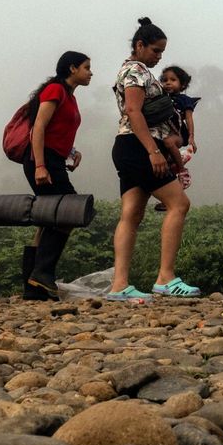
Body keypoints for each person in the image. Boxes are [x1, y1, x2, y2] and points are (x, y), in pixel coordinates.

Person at [107, 18, 201, 302]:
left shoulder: (136, 71)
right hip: (139, 146)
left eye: (161, 52)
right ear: (140, 45)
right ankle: (166, 277)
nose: (159, 57)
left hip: (127, 146)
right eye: (155, 51)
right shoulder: (135, 72)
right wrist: (153, 150)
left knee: (132, 213)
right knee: (179, 203)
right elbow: (134, 111)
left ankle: (120, 285)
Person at [22, 51, 92, 300]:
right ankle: (41, 273)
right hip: (44, 161)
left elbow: (56, 130)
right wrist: (41, 166)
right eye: (86, 67)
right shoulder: (55, 90)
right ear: (72, 68)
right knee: (68, 212)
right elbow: (38, 128)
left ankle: (33, 287)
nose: (90, 73)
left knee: (48, 219)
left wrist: (72, 151)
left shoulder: (69, 96)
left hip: (54, 160)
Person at [154, 65, 199, 211]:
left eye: (173, 80)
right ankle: (167, 198)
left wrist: (191, 137)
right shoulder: (161, 98)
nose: (168, 83)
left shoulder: (184, 100)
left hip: (179, 134)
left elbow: (189, 119)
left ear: (183, 84)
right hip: (163, 133)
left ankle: (182, 170)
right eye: (165, 80)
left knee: (169, 142)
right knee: (162, 168)